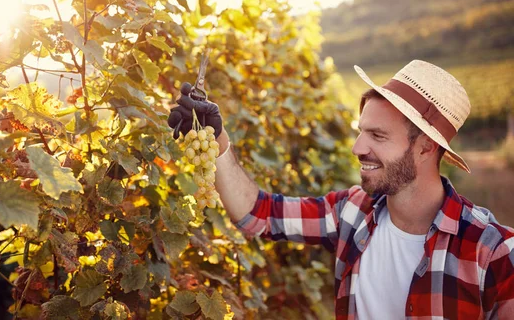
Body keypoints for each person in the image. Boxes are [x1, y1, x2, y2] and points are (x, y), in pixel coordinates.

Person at [167, 60, 514, 319]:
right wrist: (216, 136)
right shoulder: (353, 211)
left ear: (425, 147)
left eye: (377, 136)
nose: (357, 147)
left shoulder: (494, 253)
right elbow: (258, 214)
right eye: (361, 131)